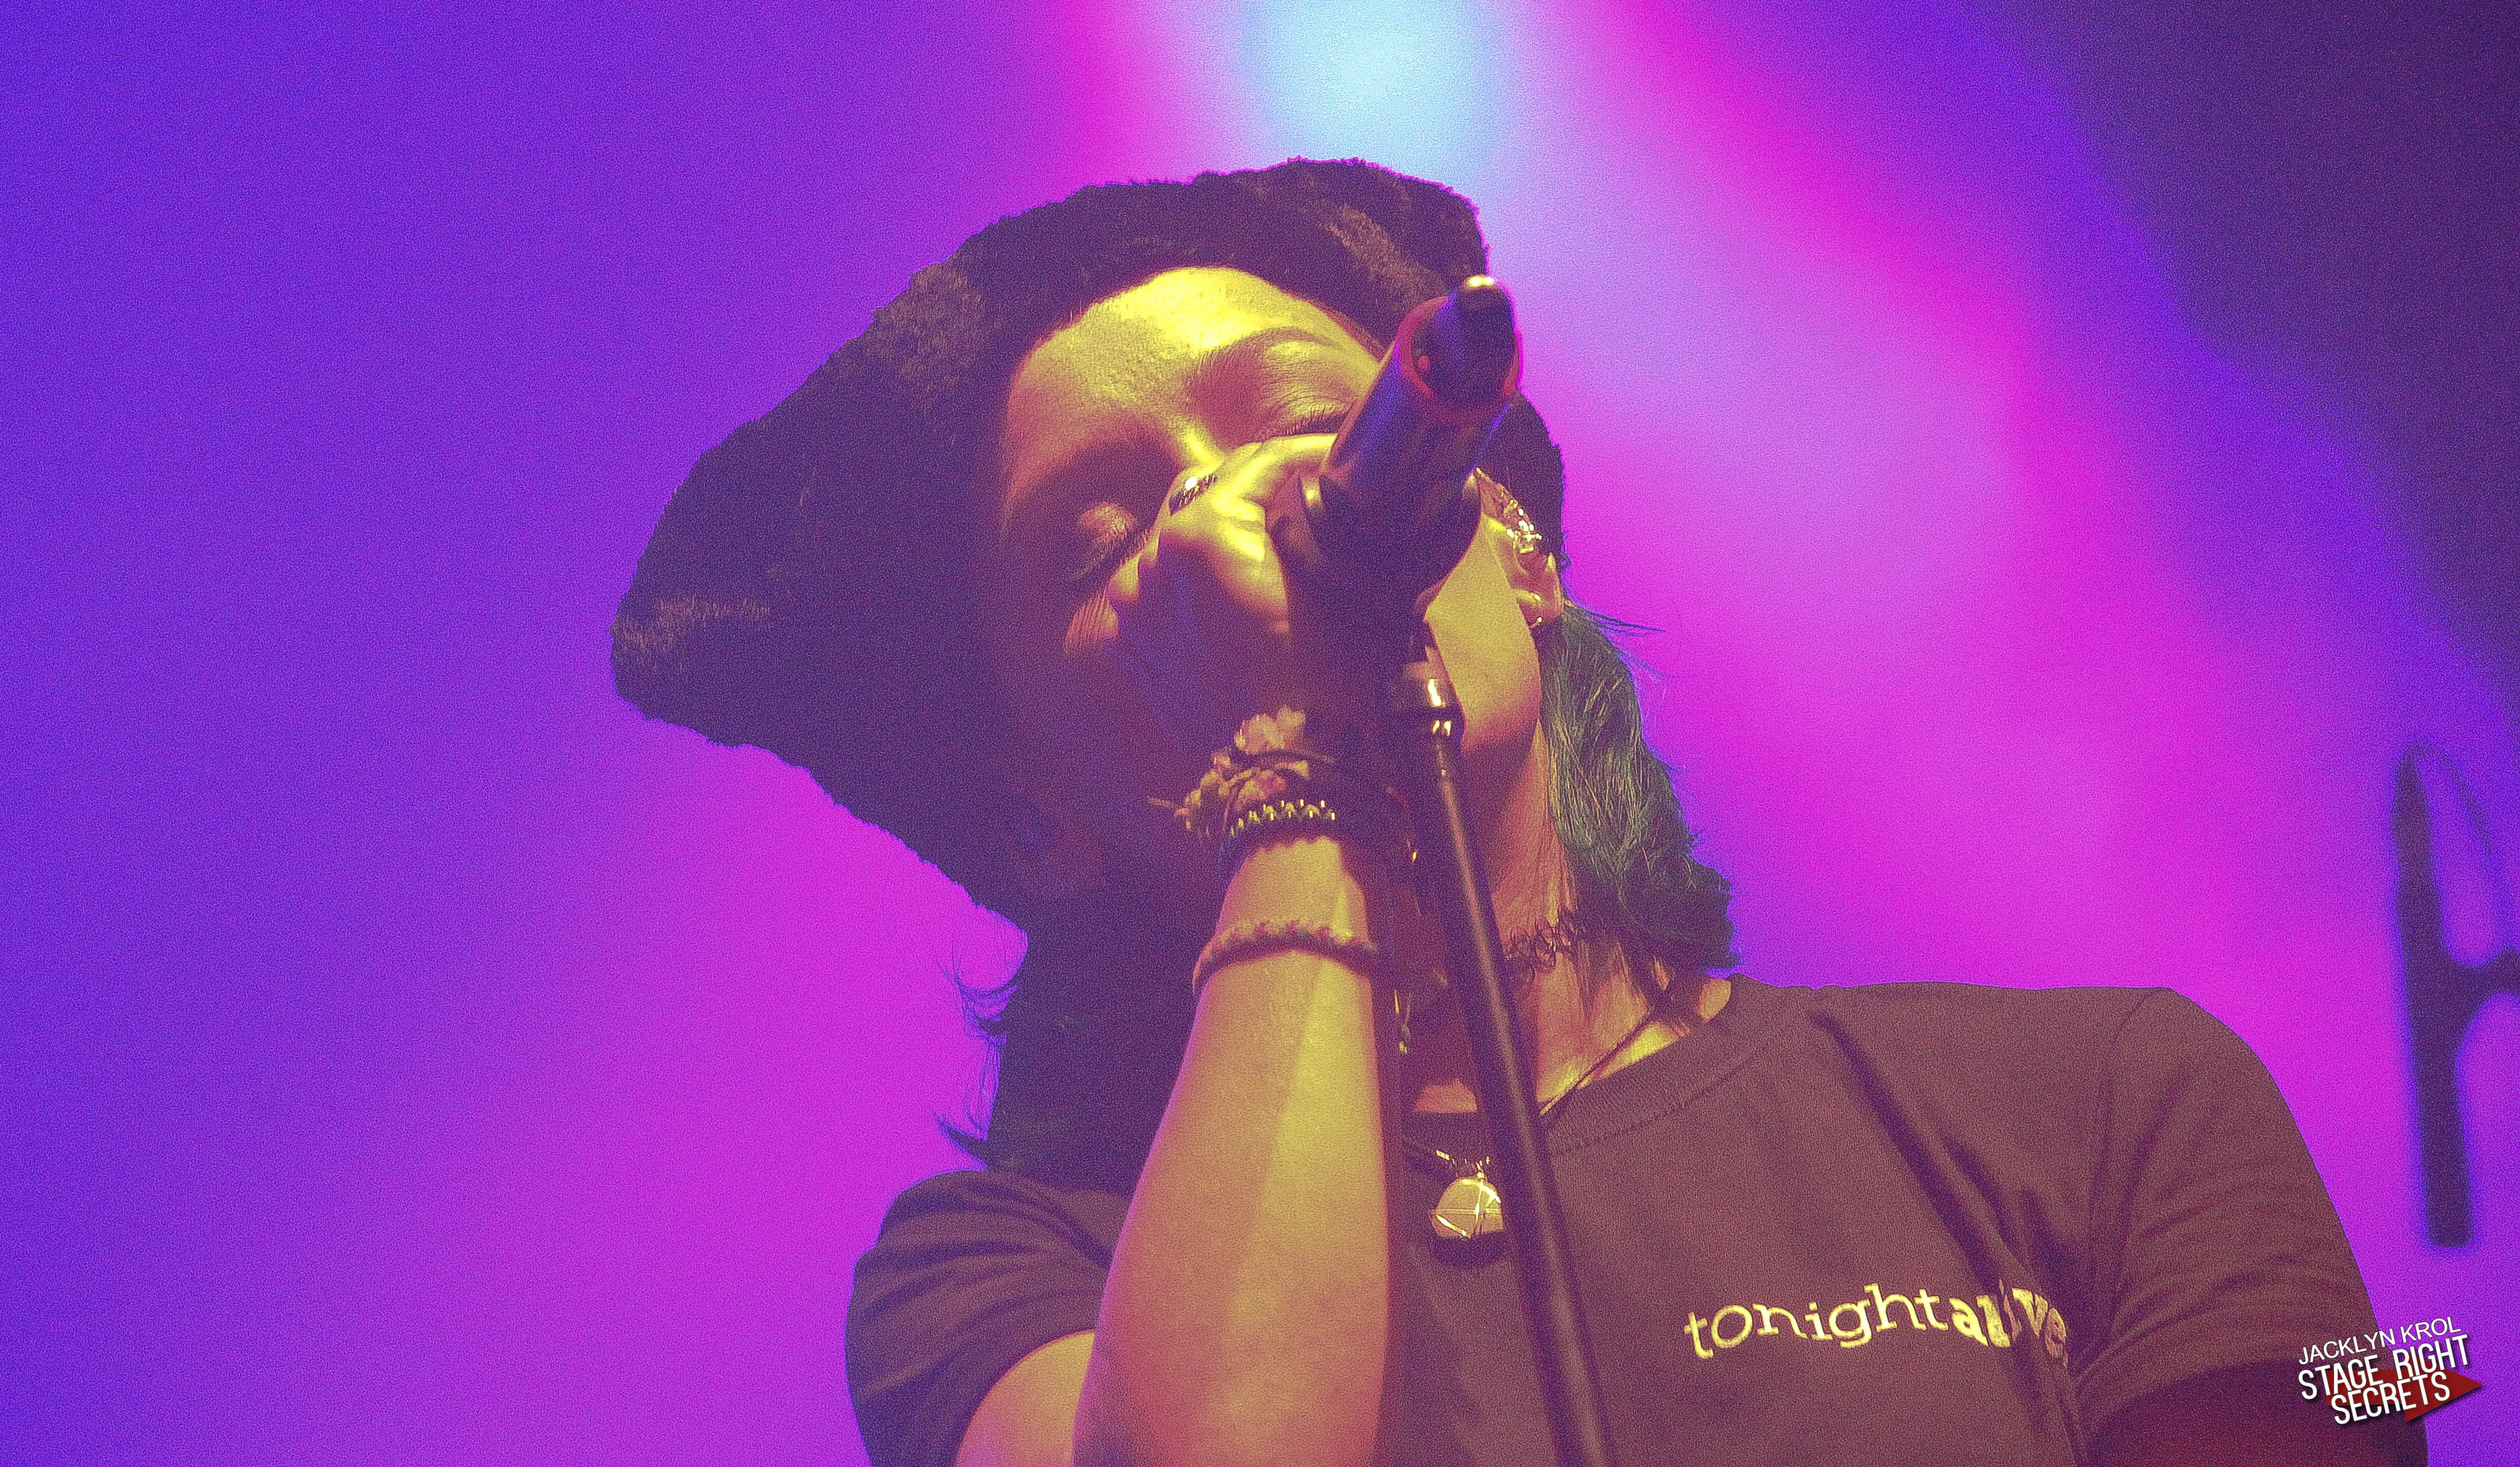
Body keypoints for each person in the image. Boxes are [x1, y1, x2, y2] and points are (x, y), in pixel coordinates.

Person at [613, 161, 2418, 1467]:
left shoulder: (2109, 1094)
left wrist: (2408, 1361)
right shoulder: (993, 1279)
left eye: (1302, 425)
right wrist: (1293, 773)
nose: (1244, 519)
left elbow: (2399, 1386)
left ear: (1519, 555)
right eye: (1110, 541)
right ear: (1038, 826)